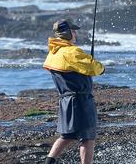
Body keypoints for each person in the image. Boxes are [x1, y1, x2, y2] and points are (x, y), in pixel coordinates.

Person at [42, 19, 105, 164]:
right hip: (81, 101)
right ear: (68, 32)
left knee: (66, 136)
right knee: (88, 138)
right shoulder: (72, 52)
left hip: (65, 100)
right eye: (73, 30)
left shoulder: (53, 53)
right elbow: (95, 68)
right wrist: (98, 65)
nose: (76, 33)